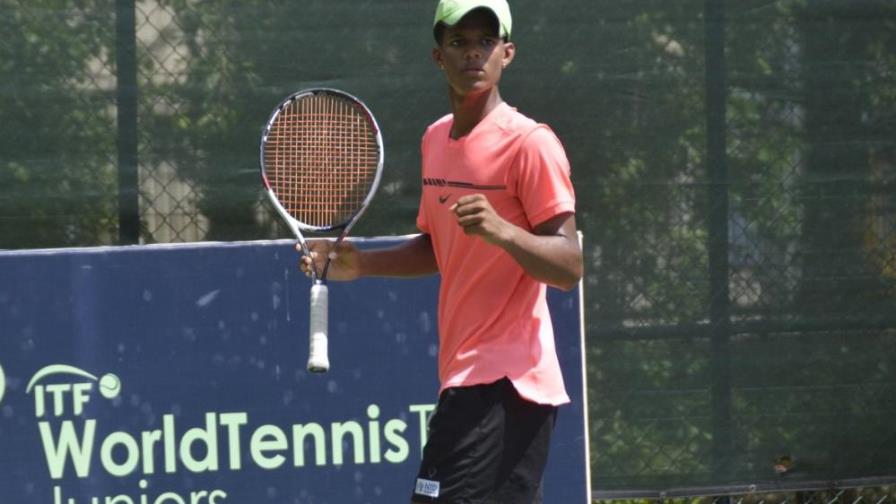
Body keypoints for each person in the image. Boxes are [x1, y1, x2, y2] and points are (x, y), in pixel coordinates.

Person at [300, 0, 582, 501]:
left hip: (507, 382)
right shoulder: (434, 140)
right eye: (459, 42)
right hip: (467, 376)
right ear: (439, 57)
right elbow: (439, 247)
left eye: (486, 42)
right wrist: (362, 263)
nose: (473, 53)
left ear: (507, 54)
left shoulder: (530, 144)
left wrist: (505, 233)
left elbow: (568, 265)